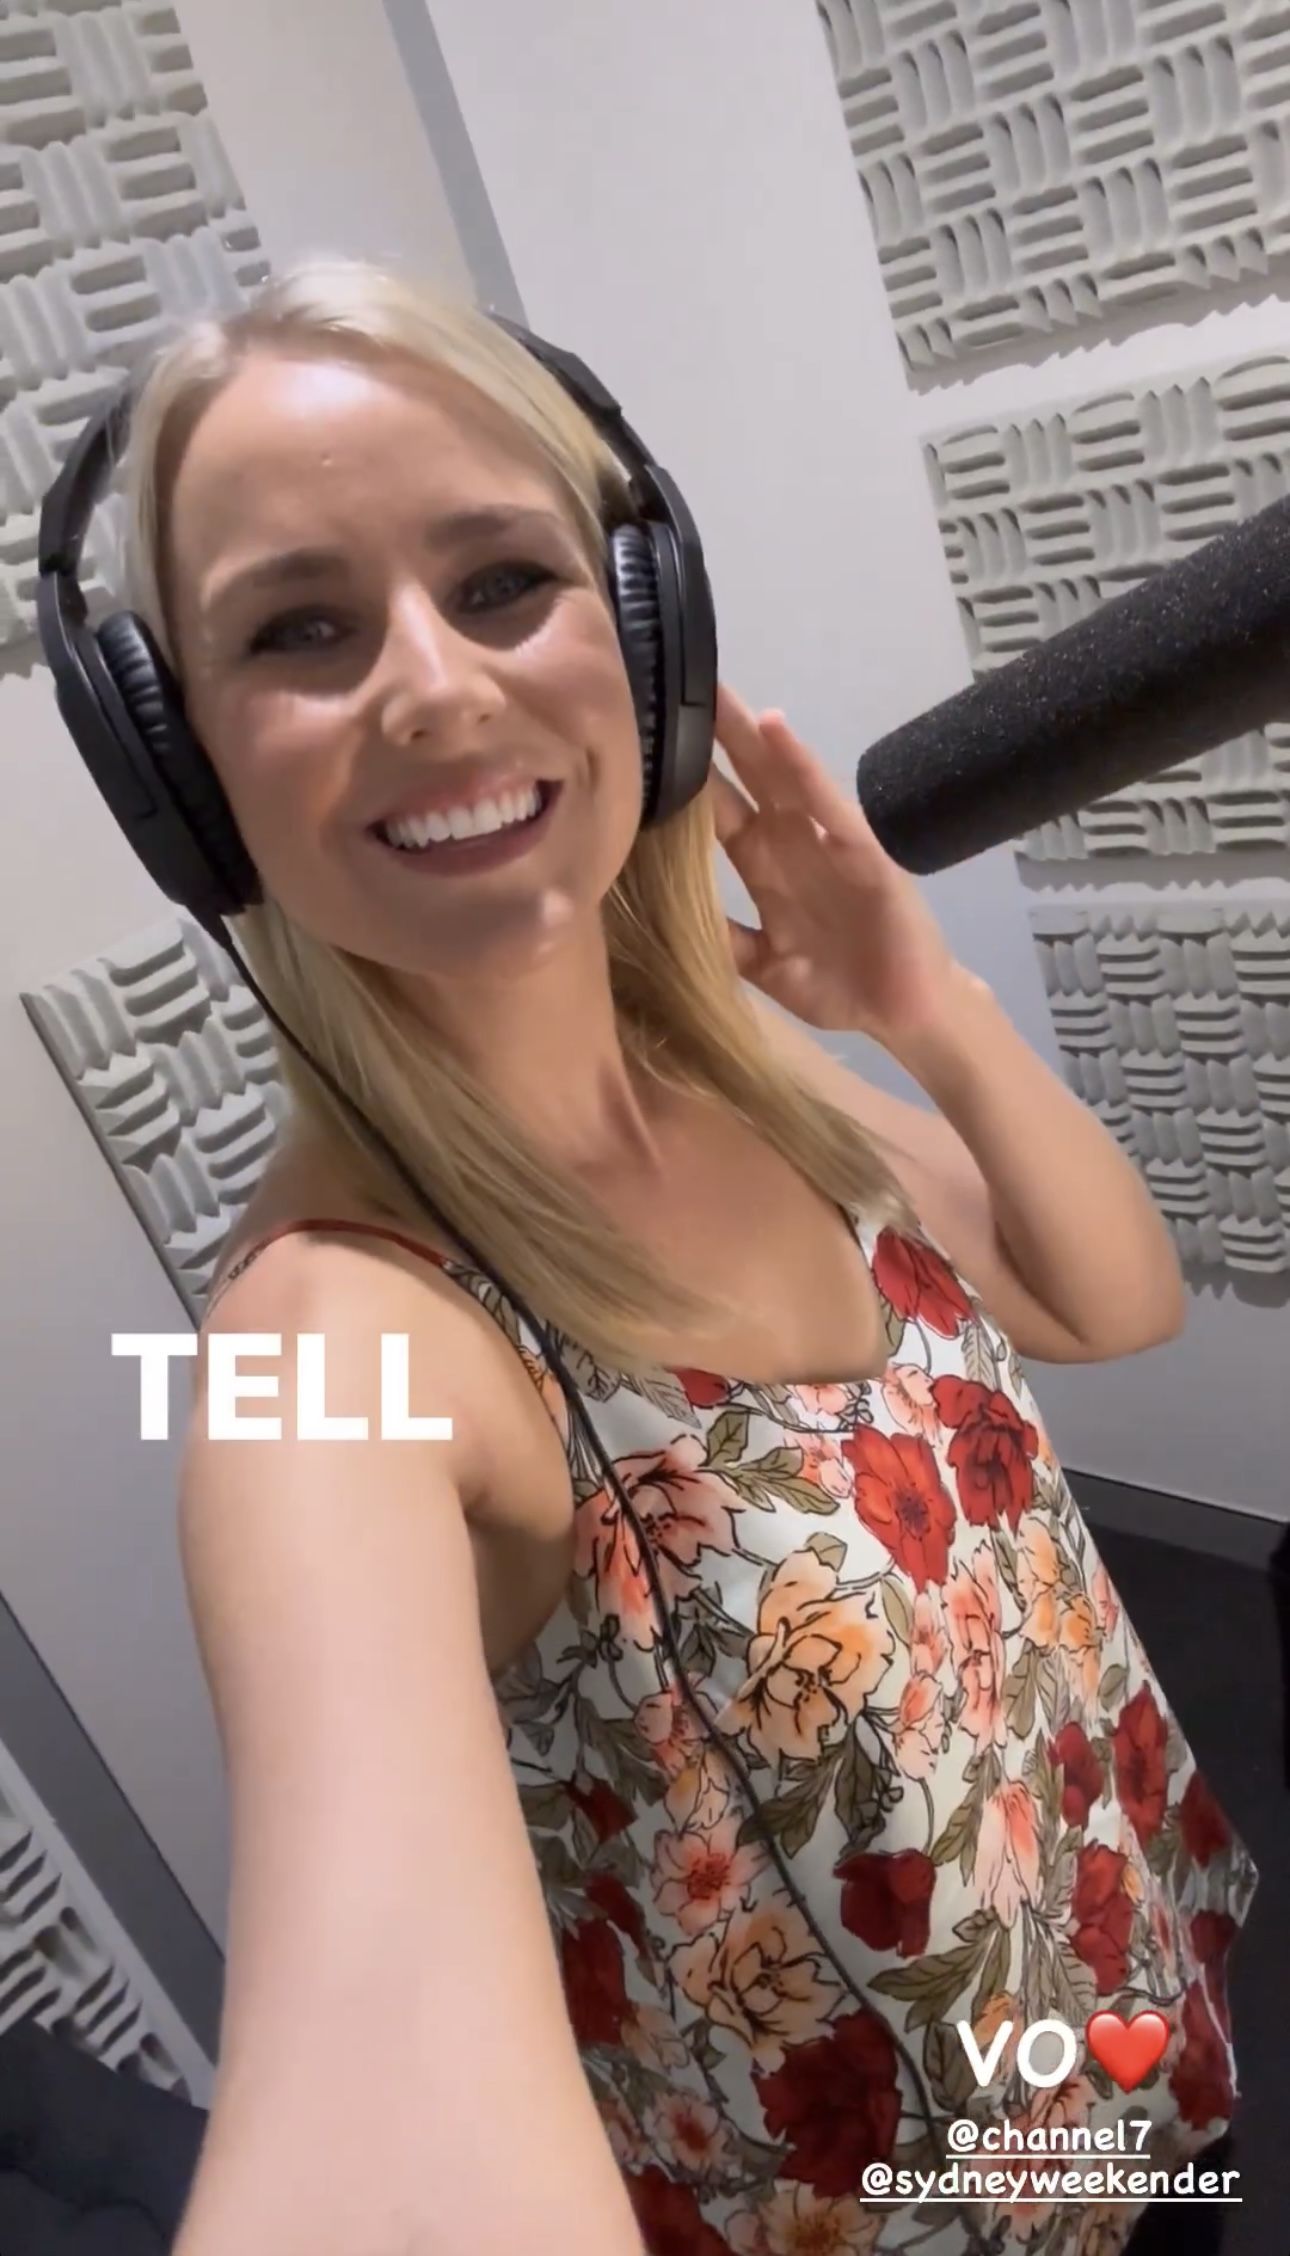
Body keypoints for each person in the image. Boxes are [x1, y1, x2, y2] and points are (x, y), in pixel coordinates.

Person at [101, 260, 1254, 2256]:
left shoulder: (747, 1078)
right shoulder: (331, 1345)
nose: (433, 688)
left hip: (1109, 2055)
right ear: (182, 770)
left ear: (645, 636)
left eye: (499, 581)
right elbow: (377, 2099)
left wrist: (922, 1006)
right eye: (299, 629)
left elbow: (1110, 1301)